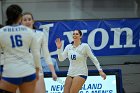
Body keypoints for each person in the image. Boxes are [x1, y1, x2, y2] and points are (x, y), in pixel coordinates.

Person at [0, 4, 40, 93]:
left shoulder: (1, 32)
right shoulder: (29, 31)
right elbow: (36, 53)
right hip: (28, 71)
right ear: (20, 17)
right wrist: (37, 70)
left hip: (10, 72)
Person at [21, 12, 57, 93]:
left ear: (33, 21)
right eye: (25, 20)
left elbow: (47, 55)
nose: (27, 21)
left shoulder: (40, 35)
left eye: (29, 19)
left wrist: (53, 72)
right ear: (21, 22)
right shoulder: (17, 35)